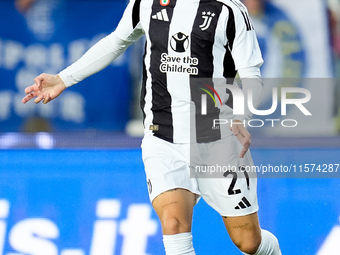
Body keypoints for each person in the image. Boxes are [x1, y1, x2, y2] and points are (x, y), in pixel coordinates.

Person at [22, 0, 282, 254]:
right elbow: (116, 41)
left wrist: (241, 115)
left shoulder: (229, 10)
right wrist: (63, 79)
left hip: (216, 138)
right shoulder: (144, 3)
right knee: (173, 224)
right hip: (162, 137)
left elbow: (252, 77)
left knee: (248, 242)